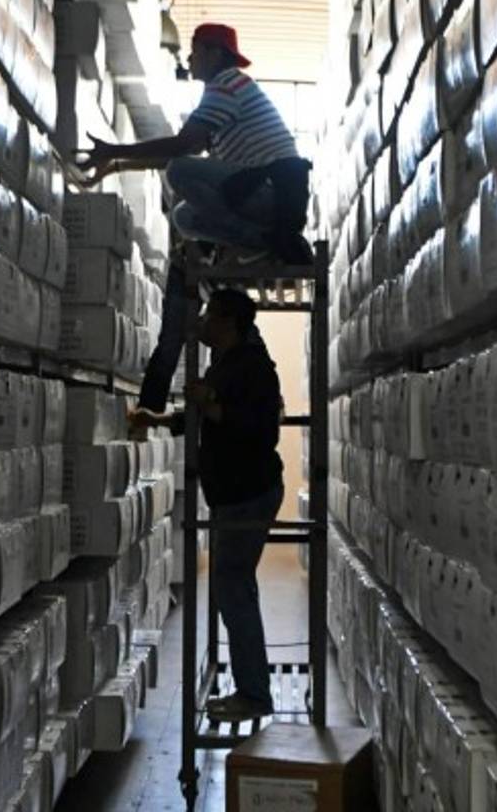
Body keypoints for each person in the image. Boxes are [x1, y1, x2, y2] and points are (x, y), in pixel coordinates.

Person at [76, 22, 312, 421]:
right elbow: (191, 147)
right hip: (259, 196)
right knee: (185, 216)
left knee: (182, 172)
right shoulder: (224, 92)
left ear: (215, 54)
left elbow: (186, 147)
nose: (189, 59)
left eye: (195, 50)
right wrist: (115, 161)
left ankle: (266, 240)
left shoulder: (227, 83)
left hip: (274, 196)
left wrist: (116, 150)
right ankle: (260, 241)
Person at [132, 288, 284, 722]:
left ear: (230, 322)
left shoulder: (254, 367)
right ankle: (252, 688)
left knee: (232, 590)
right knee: (235, 589)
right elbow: (199, 416)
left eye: (209, 316)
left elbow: (261, 431)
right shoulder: (229, 362)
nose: (202, 323)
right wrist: (156, 418)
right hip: (234, 495)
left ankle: (254, 694)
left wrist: (212, 405)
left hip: (248, 494)